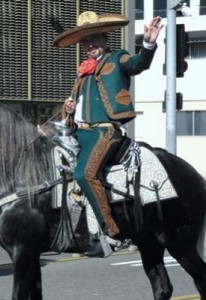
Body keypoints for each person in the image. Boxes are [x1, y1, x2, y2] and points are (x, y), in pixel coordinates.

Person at [54, 11, 163, 238]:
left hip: (104, 131)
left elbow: (138, 64)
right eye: (85, 41)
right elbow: (78, 102)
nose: (89, 44)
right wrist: (70, 107)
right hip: (77, 132)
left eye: (93, 38)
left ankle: (110, 229)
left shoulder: (117, 58)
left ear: (105, 38)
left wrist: (148, 45)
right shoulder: (83, 71)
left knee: (84, 174)